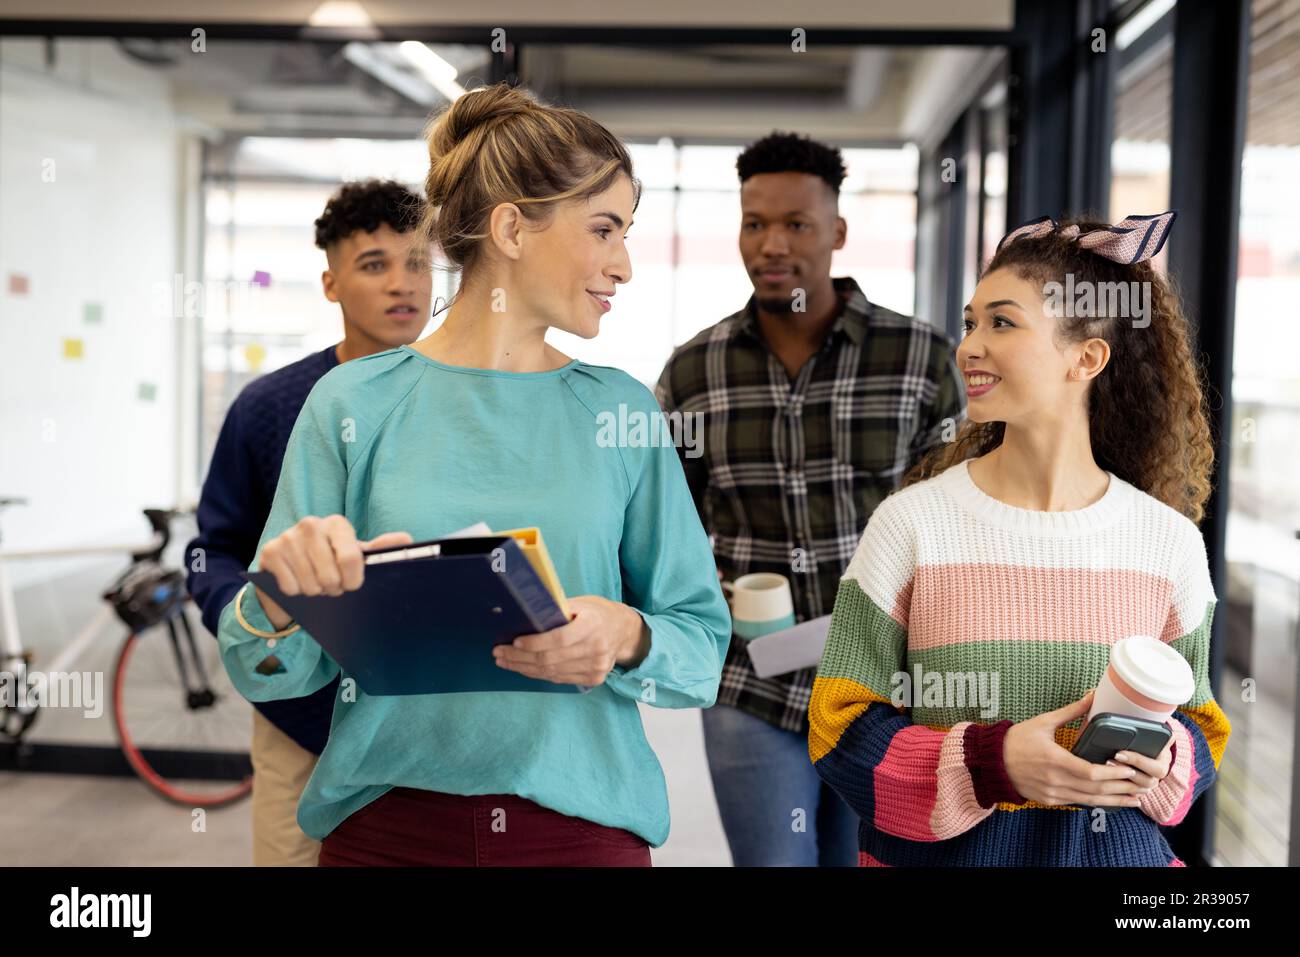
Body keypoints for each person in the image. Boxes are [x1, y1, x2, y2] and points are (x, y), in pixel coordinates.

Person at [215, 82, 731, 867]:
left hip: (582, 832)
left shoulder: (622, 412)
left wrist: (624, 635)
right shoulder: (351, 402)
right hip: (384, 831)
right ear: (512, 228)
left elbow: (700, 646)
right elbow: (265, 667)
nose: (622, 264)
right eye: (604, 229)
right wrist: (283, 602)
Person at [808, 212, 1232, 866]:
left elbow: (1200, 734)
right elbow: (838, 729)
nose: (970, 344)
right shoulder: (911, 524)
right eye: (971, 322)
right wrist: (992, 763)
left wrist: (1164, 758)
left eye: (1002, 322)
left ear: (1086, 357)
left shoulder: (1168, 542)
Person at [655, 131, 965, 866]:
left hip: (887, 680)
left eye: (797, 224)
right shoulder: (695, 370)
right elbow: (670, 529)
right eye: (754, 222)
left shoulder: (920, 357)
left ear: (838, 233)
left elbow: (959, 519)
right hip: (750, 681)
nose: (772, 244)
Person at [186, 178, 432, 866]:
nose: (401, 284)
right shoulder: (270, 404)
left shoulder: (465, 402)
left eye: (417, 262)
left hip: (428, 715)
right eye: (374, 264)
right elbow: (215, 551)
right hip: (300, 718)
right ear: (331, 284)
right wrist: (257, 618)